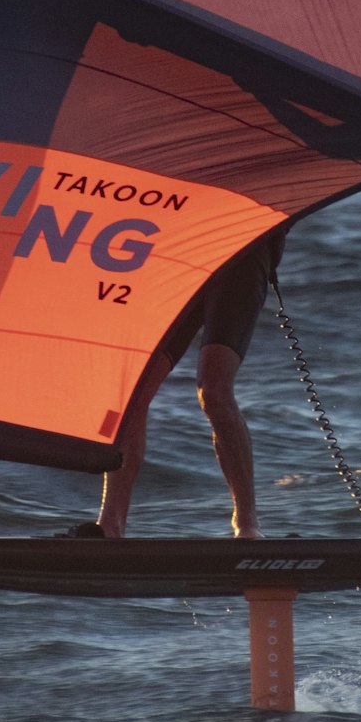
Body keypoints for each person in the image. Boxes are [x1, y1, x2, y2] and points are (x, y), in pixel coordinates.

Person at [71, 229, 286, 540]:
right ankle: (111, 524)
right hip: (180, 252)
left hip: (242, 253)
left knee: (213, 391)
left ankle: (248, 526)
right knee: (132, 391)